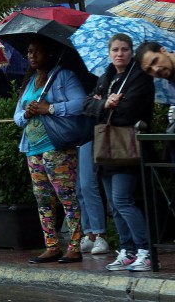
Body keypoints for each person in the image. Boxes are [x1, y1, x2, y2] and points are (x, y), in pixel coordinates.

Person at [84, 33, 155, 272]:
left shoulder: (140, 78)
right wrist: (104, 104)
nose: (119, 54)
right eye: (115, 49)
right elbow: (87, 105)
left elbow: (128, 113)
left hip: (127, 147)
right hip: (106, 149)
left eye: (124, 49)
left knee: (123, 200)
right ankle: (127, 250)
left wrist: (104, 106)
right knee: (114, 205)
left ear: (131, 52)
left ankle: (144, 250)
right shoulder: (107, 76)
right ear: (109, 52)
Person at [13, 38, 84, 264]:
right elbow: (17, 118)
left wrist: (50, 107)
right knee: (43, 199)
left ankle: (75, 245)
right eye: (29, 52)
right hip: (32, 148)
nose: (32, 56)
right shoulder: (30, 81)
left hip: (56, 147)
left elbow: (81, 102)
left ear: (49, 54)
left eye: (37, 52)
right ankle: (51, 246)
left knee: (67, 196)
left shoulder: (63, 76)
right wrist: (27, 114)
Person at [77, 141, 109, 255]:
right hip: (74, 138)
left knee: (88, 186)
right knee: (80, 189)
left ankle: (100, 235)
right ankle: (90, 235)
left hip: (88, 135)